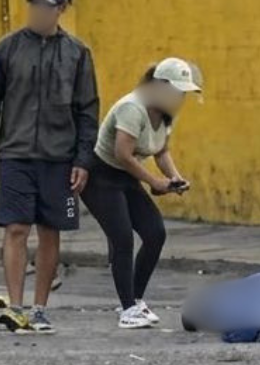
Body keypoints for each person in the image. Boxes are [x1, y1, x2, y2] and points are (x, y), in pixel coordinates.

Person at [0, 0, 99, 334]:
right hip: (15, 154)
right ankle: (15, 308)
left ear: (60, 10)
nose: (38, 13)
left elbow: (88, 110)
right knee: (15, 228)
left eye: (46, 7)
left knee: (51, 229)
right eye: (34, 6)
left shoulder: (77, 53)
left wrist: (83, 160)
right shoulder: (7, 50)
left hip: (60, 158)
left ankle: (40, 308)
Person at [81, 59, 201, 330]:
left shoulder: (167, 115)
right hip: (102, 175)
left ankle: (135, 299)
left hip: (127, 177)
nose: (179, 98)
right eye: (175, 91)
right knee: (122, 237)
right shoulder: (132, 108)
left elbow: (161, 151)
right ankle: (127, 310)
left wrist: (174, 178)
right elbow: (122, 154)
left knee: (155, 232)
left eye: (183, 93)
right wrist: (153, 182)